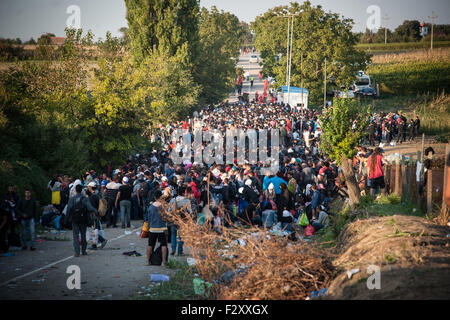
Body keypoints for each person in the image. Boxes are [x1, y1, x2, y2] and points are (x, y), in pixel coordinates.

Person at [65, 184, 97, 257]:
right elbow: (90, 208)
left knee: (75, 236)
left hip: (75, 219)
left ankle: (77, 252)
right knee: (83, 235)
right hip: (83, 219)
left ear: (75, 190)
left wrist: (66, 219)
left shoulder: (72, 199)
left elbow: (68, 209)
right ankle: (84, 251)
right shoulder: (85, 198)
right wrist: (95, 211)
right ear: (82, 190)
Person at [146, 190, 168, 267]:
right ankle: (164, 261)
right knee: (163, 245)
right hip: (162, 228)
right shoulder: (163, 206)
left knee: (150, 244)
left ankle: (147, 260)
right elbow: (166, 217)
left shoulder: (151, 207)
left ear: (155, 197)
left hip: (152, 228)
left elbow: (148, 218)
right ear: (161, 197)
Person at [86, 182, 107, 250]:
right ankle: (95, 244)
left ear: (90, 187)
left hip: (94, 215)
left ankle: (101, 241)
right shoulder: (98, 194)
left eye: (88, 187)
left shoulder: (92, 196)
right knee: (95, 230)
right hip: (97, 214)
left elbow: (91, 207)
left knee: (94, 230)